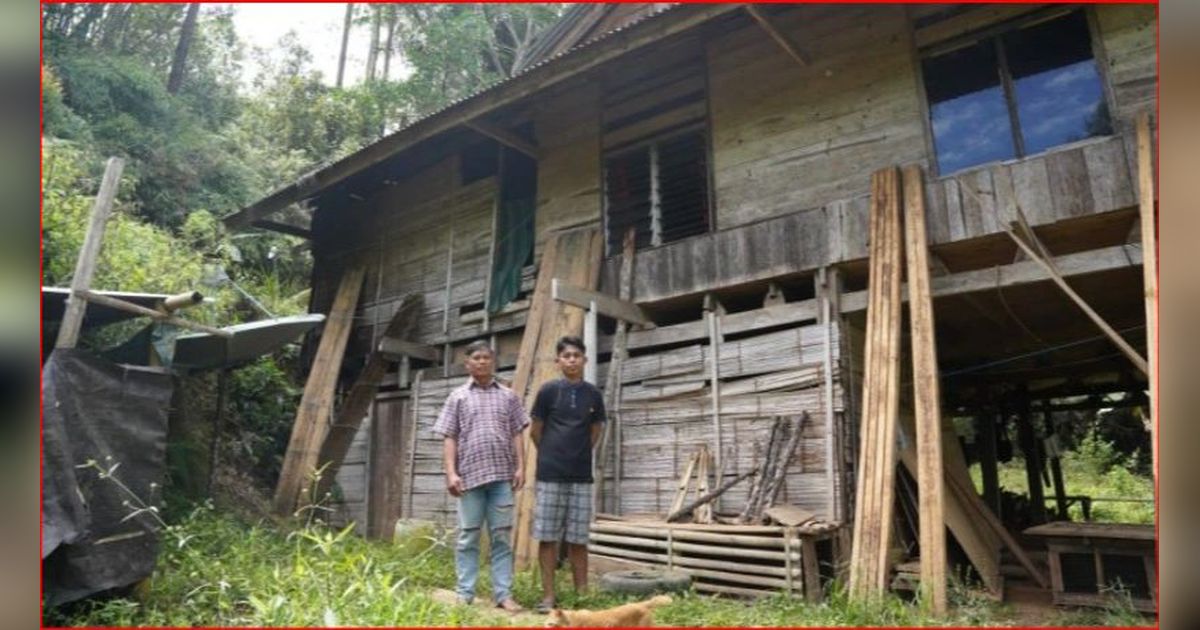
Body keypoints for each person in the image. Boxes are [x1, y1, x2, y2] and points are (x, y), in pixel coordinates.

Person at [432, 340, 527, 612]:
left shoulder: (508, 396)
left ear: (493, 361)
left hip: (501, 478)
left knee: (501, 537)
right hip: (469, 478)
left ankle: (503, 595)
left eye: (487, 357)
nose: (482, 362)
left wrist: (521, 466)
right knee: (468, 537)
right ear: (468, 364)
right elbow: (449, 436)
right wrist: (450, 473)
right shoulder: (457, 396)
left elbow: (517, 432)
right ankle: (465, 593)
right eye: (477, 358)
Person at [530, 335, 606, 613]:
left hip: (581, 476)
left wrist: (578, 454)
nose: (572, 359)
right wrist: (551, 454)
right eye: (566, 355)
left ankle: (581, 596)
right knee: (547, 536)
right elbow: (535, 431)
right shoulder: (548, 390)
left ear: (584, 360)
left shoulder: (593, 394)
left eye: (576, 355)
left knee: (578, 538)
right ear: (558, 360)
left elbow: (595, 430)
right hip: (550, 474)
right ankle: (549, 596)